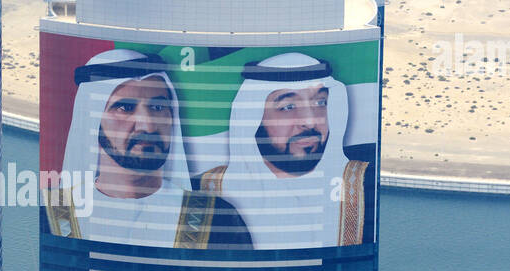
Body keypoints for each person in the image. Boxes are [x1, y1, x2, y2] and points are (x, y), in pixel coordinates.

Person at [44, 49, 250, 249]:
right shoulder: (52, 216)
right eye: (125, 108)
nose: (147, 125)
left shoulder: (218, 218)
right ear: (92, 120)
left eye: (158, 108)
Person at [196, 52, 374, 248]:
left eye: (320, 103)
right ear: (253, 119)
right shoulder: (206, 192)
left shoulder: (365, 186)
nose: (309, 121)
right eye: (288, 107)